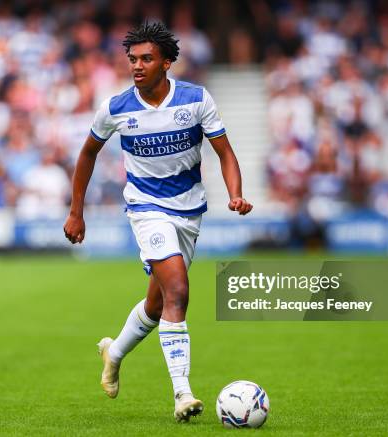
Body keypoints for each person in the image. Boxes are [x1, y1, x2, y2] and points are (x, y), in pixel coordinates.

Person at [63, 22, 253, 422]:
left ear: (167, 62)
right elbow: (86, 155)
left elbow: (225, 152)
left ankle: (113, 353)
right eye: (132, 59)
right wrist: (76, 210)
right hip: (146, 208)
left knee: (156, 303)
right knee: (178, 291)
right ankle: (182, 393)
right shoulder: (116, 108)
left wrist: (235, 192)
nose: (137, 66)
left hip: (189, 211)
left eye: (146, 59)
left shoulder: (196, 99)